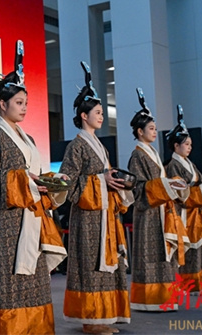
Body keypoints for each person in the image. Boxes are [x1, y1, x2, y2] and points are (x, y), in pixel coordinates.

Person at [0, 41, 67, 334]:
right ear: (2, 104)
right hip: (9, 223)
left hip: (34, 219)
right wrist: (27, 181)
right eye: (18, 102)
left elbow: (35, 177)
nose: (24, 108)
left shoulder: (29, 139)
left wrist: (51, 183)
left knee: (35, 283)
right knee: (9, 283)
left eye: (26, 102)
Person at [61, 62, 132, 335]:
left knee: (106, 267)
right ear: (84, 115)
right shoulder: (76, 146)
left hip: (105, 216)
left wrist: (114, 180)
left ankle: (104, 316)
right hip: (88, 218)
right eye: (98, 112)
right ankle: (90, 319)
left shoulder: (101, 146)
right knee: (90, 267)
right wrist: (101, 180)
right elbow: (69, 183)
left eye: (102, 112)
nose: (102, 116)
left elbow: (102, 175)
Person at [127, 88, 189, 311]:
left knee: (163, 256)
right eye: (151, 128)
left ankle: (165, 297)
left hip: (161, 210)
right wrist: (165, 185)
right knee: (149, 255)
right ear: (140, 131)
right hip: (148, 212)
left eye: (155, 128)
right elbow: (137, 188)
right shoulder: (137, 155)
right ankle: (148, 299)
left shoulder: (152, 153)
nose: (154, 132)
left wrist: (171, 184)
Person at [164, 106, 202, 291]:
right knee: (193, 250)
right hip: (186, 214)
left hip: (199, 212)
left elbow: (199, 181)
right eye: (186, 144)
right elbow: (179, 192)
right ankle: (191, 284)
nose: (190, 147)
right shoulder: (173, 166)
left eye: (190, 144)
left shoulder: (190, 163)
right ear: (176, 146)